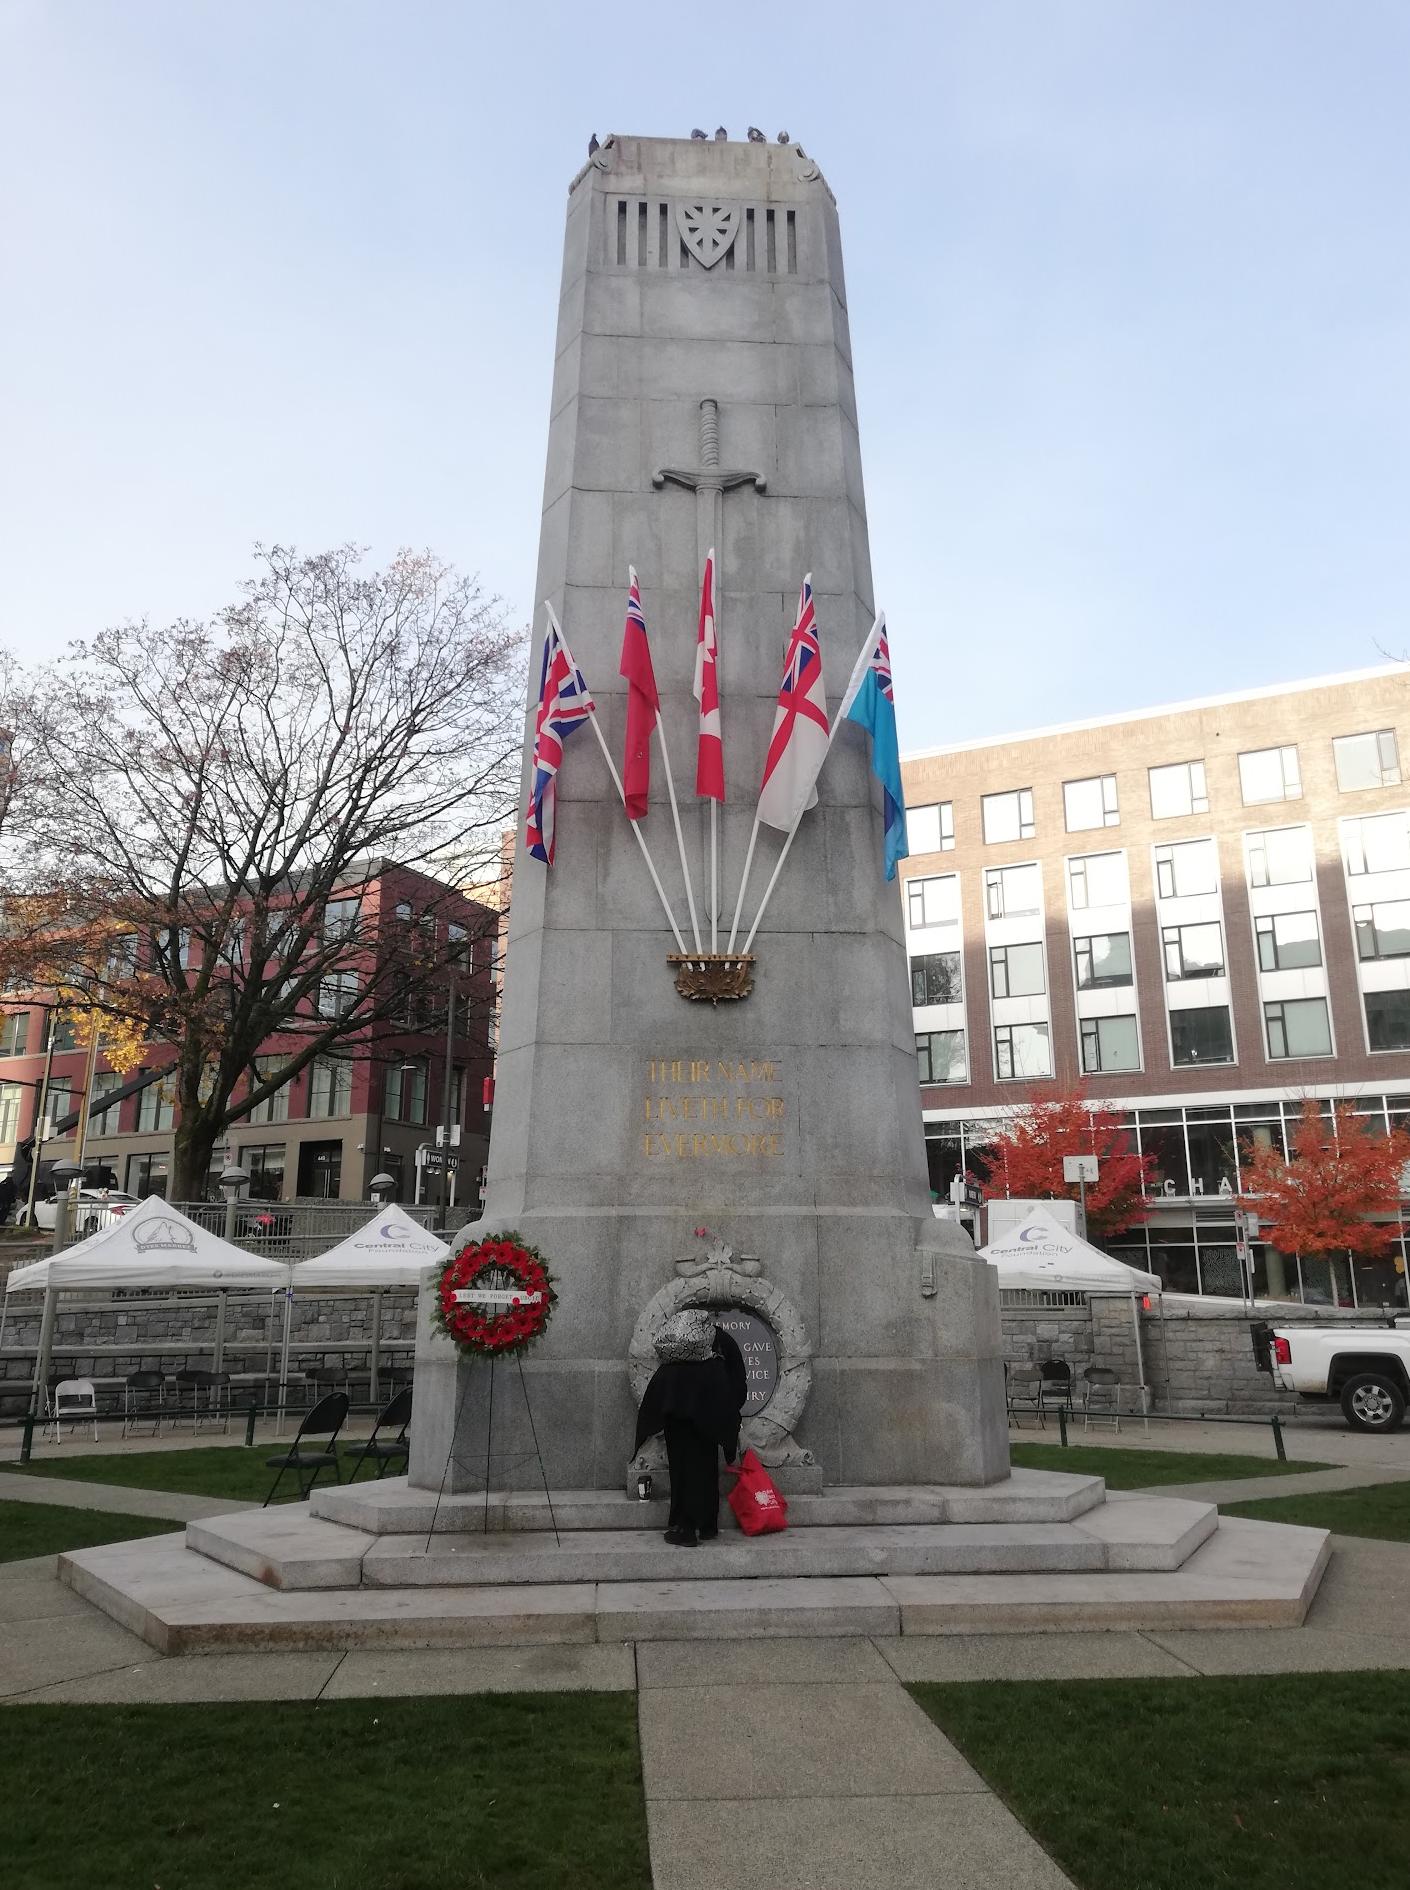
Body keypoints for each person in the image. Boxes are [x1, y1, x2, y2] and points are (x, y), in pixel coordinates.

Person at [634, 1309, 746, 1547]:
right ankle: (707, 1526)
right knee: (705, 1469)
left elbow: (658, 1390)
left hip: (678, 1417)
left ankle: (684, 1527)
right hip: (710, 1415)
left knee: (682, 1471)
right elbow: (737, 1380)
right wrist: (730, 1414)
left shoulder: (676, 1349)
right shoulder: (721, 1340)